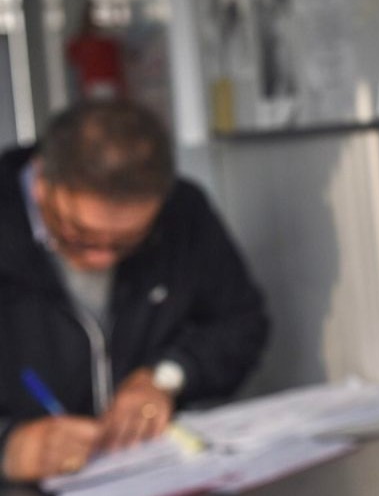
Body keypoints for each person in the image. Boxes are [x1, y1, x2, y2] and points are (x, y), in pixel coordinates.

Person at [0, 99, 269, 483]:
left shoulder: (184, 212)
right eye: (80, 235)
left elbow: (241, 323)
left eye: (127, 242)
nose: (102, 259)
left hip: (151, 474)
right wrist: (9, 449)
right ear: (42, 181)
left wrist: (167, 377)